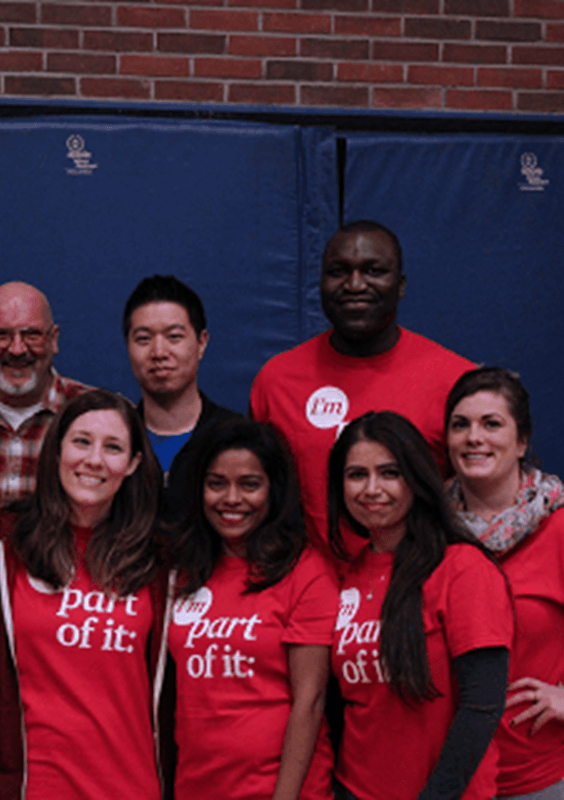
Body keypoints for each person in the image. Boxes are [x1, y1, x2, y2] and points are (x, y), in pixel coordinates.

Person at [250, 220, 474, 561]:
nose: (355, 284)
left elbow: (485, 501)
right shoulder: (276, 380)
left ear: (400, 285)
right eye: (339, 271)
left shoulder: (456, 380)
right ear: (321, 284)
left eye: (374, 271)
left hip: (417, 585)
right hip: (310, 590)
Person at [0, 389, 164, 800]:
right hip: (34, 788)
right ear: (57, 448)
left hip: (134, 788)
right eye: (81, 441)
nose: (94, 460)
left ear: (134, 463)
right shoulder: (5, 542)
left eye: (113, 447)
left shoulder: (160, 558)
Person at [328, 410, 513, 800]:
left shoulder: (461, 567)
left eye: (390, 473)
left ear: (417, 479)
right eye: (356, 474)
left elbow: (483, 706)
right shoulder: (351, 574)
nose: (371, 488)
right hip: (355, 790)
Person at [163, 418, 337, 800]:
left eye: (249, 484)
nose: (231, 499)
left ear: (273, 490)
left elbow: (310, 702)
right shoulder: (183, 571)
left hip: (281, 790)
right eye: (216, 483)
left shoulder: (305, 571)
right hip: (197, 787)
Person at [444, 367, 564, 799]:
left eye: (491, 424)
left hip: (539, 779)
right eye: (461, 425)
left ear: (522, 442)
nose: (474, 437)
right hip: (447, 778)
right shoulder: (427, 537)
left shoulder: (559, 530)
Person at [124, 275, 241, 523]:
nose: (158, 352)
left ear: (201, 343)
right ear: (128, 347)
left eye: (174, 337)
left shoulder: (236, 436)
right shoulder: (117, 439)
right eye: (143, 339)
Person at [0, 281, 88, 525]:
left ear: (53, 339)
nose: (16, 349)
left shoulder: (90, 412)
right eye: (1, 335)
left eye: (31, 335)